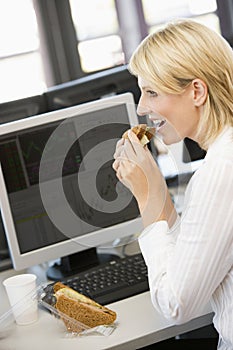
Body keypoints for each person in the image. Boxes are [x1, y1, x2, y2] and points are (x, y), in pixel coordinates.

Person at [113, 19, 233, 349]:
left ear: (196, 91)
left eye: (151, 92)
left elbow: (176, 304)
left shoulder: (220, 171)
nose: (141, 107)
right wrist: (158, 194)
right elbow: (195, 259)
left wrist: (146, 197)